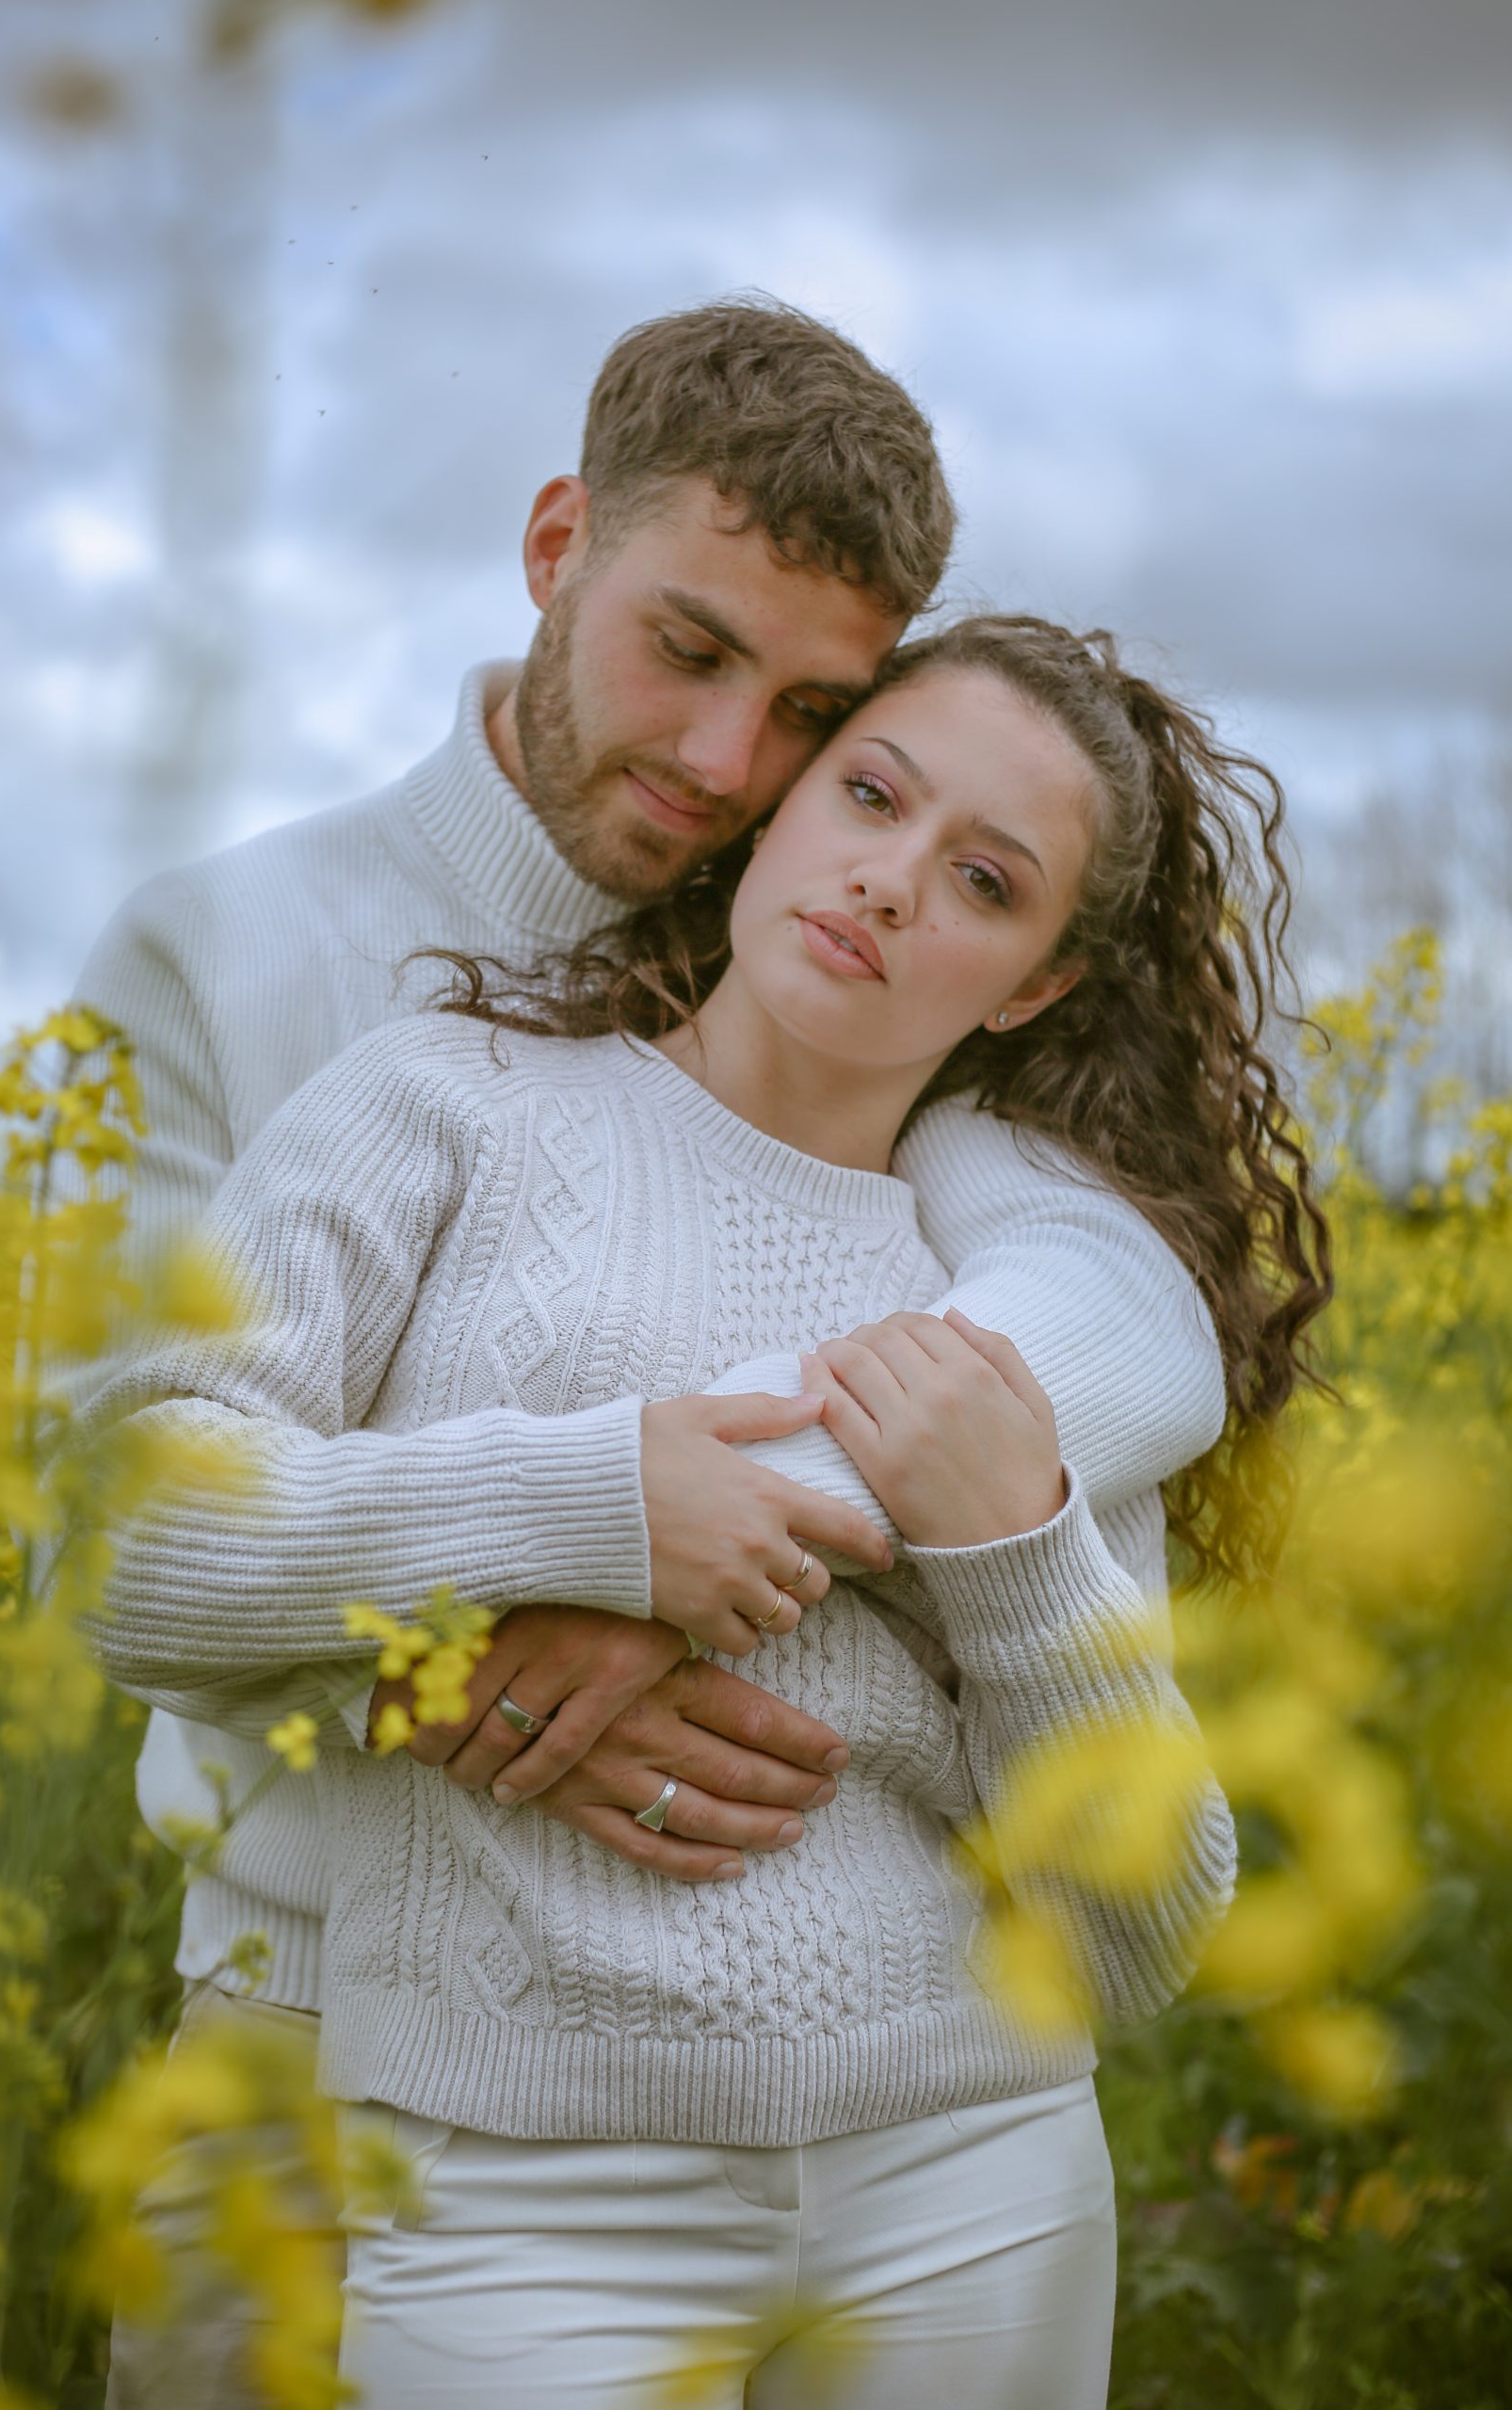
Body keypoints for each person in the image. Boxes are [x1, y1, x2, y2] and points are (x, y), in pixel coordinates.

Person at [84, 611, 1329, 2405]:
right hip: (513, 2175)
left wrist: (1014, 1554)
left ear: (1035, 985)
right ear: (779, 805)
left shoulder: (1020, 1298)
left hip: (975, 2177)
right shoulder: (441, 1101)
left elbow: (1134, 1941)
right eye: (872, 796)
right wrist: (594, 1505)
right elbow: (130, 1551)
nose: (892, 881)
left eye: (984, 881)